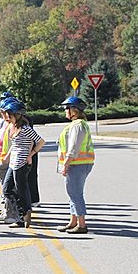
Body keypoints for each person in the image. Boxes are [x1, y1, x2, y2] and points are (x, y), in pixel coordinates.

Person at [0, 99, 45, 228]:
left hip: (22, 163)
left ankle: (23, 215)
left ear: (16, 114)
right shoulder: (12, 127)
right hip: (13, 162)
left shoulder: (25, 128)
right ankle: (25, 210)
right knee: (7, 189)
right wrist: (7, 157)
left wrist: (30, 155)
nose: (7, 116)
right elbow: (14, 145)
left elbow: (41, 141)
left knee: (21, 189)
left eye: (9, 114)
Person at [56, 96, 95, 234]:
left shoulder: (78, 125)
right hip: (79, 164)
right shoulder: (78, 124)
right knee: (72, 193)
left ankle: (82, 225)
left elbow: (74, 147)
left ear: (74, 110)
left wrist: (66, 164)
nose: (65, 111)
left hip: (77, 164)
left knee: (76, 194)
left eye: (67, 108)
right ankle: (73, 222)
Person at [0, 98, 16, 223]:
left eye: (3, 112)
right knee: (4, 189)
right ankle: (5, 211)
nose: (2, 115)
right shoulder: (5, 124)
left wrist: (6, 158)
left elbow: (14, 144)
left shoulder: (12, 126)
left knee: (8, 189)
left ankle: (11, 213)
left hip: (5, 161)